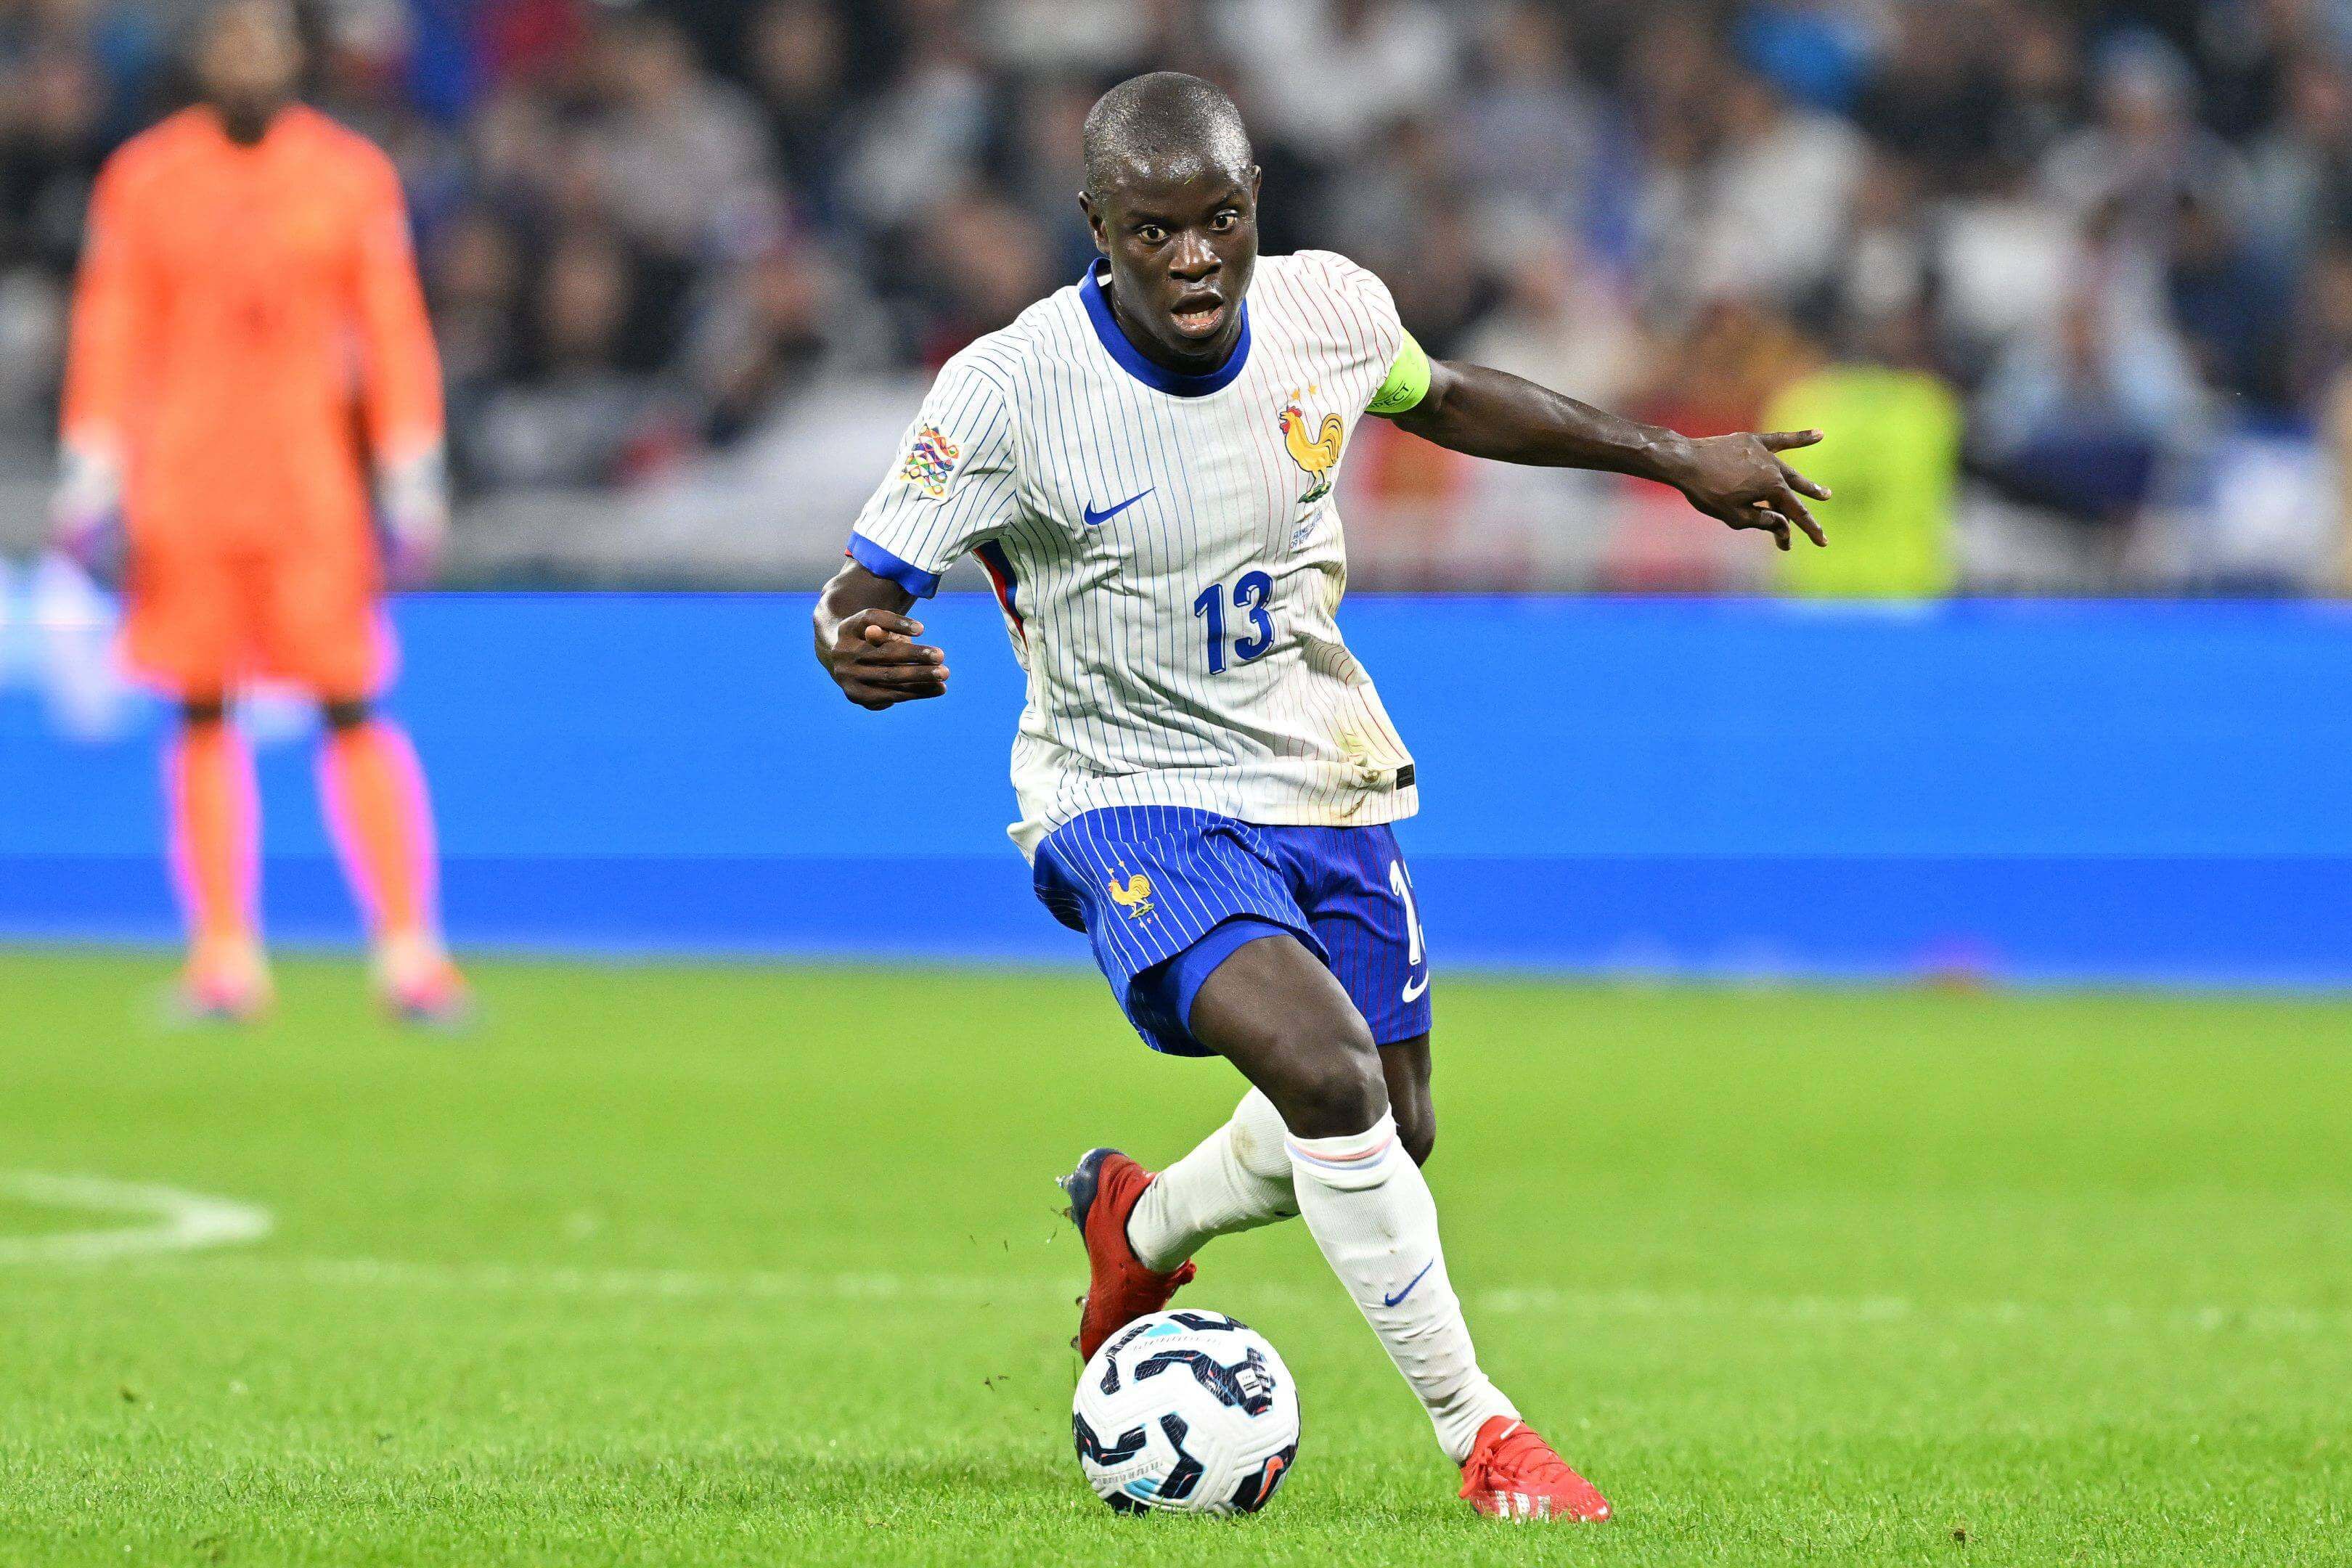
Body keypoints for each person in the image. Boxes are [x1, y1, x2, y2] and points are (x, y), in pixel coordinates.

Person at [812, 72, 1828, 1521]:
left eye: (1220, 220)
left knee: (1388, 1132)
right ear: (1097, 225)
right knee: (1330, 1077)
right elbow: (863, 584)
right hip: (1126, 792)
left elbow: (1452, 397)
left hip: (1318, 765)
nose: (1193, 260)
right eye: (1154, 230)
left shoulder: (1328, 308)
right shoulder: (1010, 389)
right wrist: (851, 640)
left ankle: (1139, 1220)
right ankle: (1487, 1437)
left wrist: (1673, 458)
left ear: (1255, 210)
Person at [52, 0, 465, 1023]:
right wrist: (89, 474)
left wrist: (412, 476)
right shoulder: (147, 178)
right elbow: (113, 329)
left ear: (293, 54)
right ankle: (225, 958)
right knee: (197, 706)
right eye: (231, 38)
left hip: (308, 491)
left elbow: (393, 330)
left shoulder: (346, 176)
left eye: (265, 39)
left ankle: (411, 954)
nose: (248, 57)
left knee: (349, 703)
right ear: (204, 54)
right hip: (186, 489)